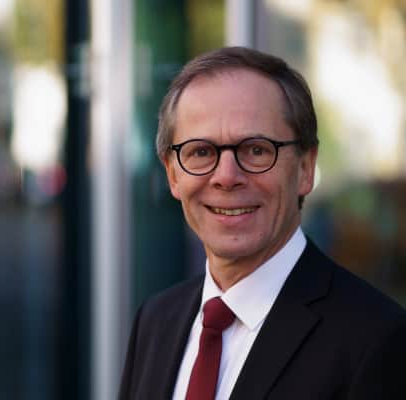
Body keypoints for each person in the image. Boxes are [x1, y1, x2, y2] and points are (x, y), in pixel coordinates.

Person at [118, 47, 406, 400]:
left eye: (256, 150)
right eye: (201, 152)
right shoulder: (155, 322)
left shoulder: (376, 339)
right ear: (173, 174)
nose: (226, 177)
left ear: (305, 168)